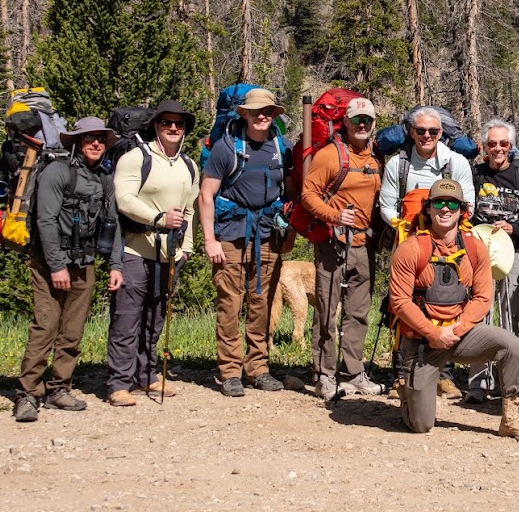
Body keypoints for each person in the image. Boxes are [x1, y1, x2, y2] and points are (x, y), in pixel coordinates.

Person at [388, 179, 519, 443]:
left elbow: (483, 298)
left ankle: (511, 419)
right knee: (421, 425)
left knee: (510, 345)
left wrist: (456, 330)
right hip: (423, 342)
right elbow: (400, 302)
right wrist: (434, 333)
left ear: (463, 210)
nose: (445, 209)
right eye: (438, 203)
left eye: (452, 204)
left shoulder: (474, 247)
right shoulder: (411, 248)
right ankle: (409, 395)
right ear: (428, 209)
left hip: (460, 336)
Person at [14, 117, 124, 423]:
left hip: (84, 262)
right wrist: (57, 265)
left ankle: (59, 387)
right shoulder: (56, 172)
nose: (96, 143)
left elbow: (112, 225)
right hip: (51, 262)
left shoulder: (103, 179)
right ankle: (27, 394)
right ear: (76, 141)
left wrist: (115, 265)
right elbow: (45, 221)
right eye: (89, 138)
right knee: (46, 326)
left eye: (101, 139)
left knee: (72, 330)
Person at [198, 88, 293, 397]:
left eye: (267, 111)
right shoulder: (227, 148)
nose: (262, 116)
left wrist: (289, 234)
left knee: (261, 303)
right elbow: (205, 195)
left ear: (274, 114)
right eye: (255, 112)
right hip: (230, 235)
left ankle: (258, 368)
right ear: (245, 115)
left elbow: (289, 194)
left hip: (267, 234)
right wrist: (209, 240)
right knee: (230, 302)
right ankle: (229, 371)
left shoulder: (281, 147)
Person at [105, 100, 199, 406]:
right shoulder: (136, 158)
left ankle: (145, 375)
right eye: (166, 123)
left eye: (179, 124)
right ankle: (119, 382)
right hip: (135, 247)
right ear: (155, 126)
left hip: (169, 253)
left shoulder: (189, 165)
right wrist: (158, 219)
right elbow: (124, 198)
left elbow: (190, 211)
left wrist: (186, 248)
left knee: (155, 317)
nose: (173, 128)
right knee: (127, 317)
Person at [379, 106, 475, 400]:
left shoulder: (456, 162)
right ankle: (400, 374)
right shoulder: (398, 164)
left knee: (444, 302)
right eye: (420, 131)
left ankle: (441, 375)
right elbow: (386, 203)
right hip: (408, 242)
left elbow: (468, 202)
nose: (426, 136)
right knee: (403, 306)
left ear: (441, 133)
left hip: (448, 244)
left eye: (433, 131)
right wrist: (400, 226)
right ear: (411, 132)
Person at [301, 96, 382, 403]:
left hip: (363, 245)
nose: (362, 125)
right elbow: (308, 195)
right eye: (356, 120)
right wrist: (334, 216)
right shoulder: (329, 156)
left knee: (358, 312)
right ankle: (324, 374)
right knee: (326, 309)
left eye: (368, 120)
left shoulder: (375, 159)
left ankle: (353, 372)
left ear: (373, 124)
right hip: (333, 243)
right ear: (345, 122)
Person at [465, 119, 519, 402]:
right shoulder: (474, 174)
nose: (498, 149)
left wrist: (514, 228)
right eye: (492, 144)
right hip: (479, 254)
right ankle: (478, 383)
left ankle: (509, 382)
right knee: (478, 314)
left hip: (513, 252)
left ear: (511, 146)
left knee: (510, 315)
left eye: (503, 144)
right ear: (483, 146)